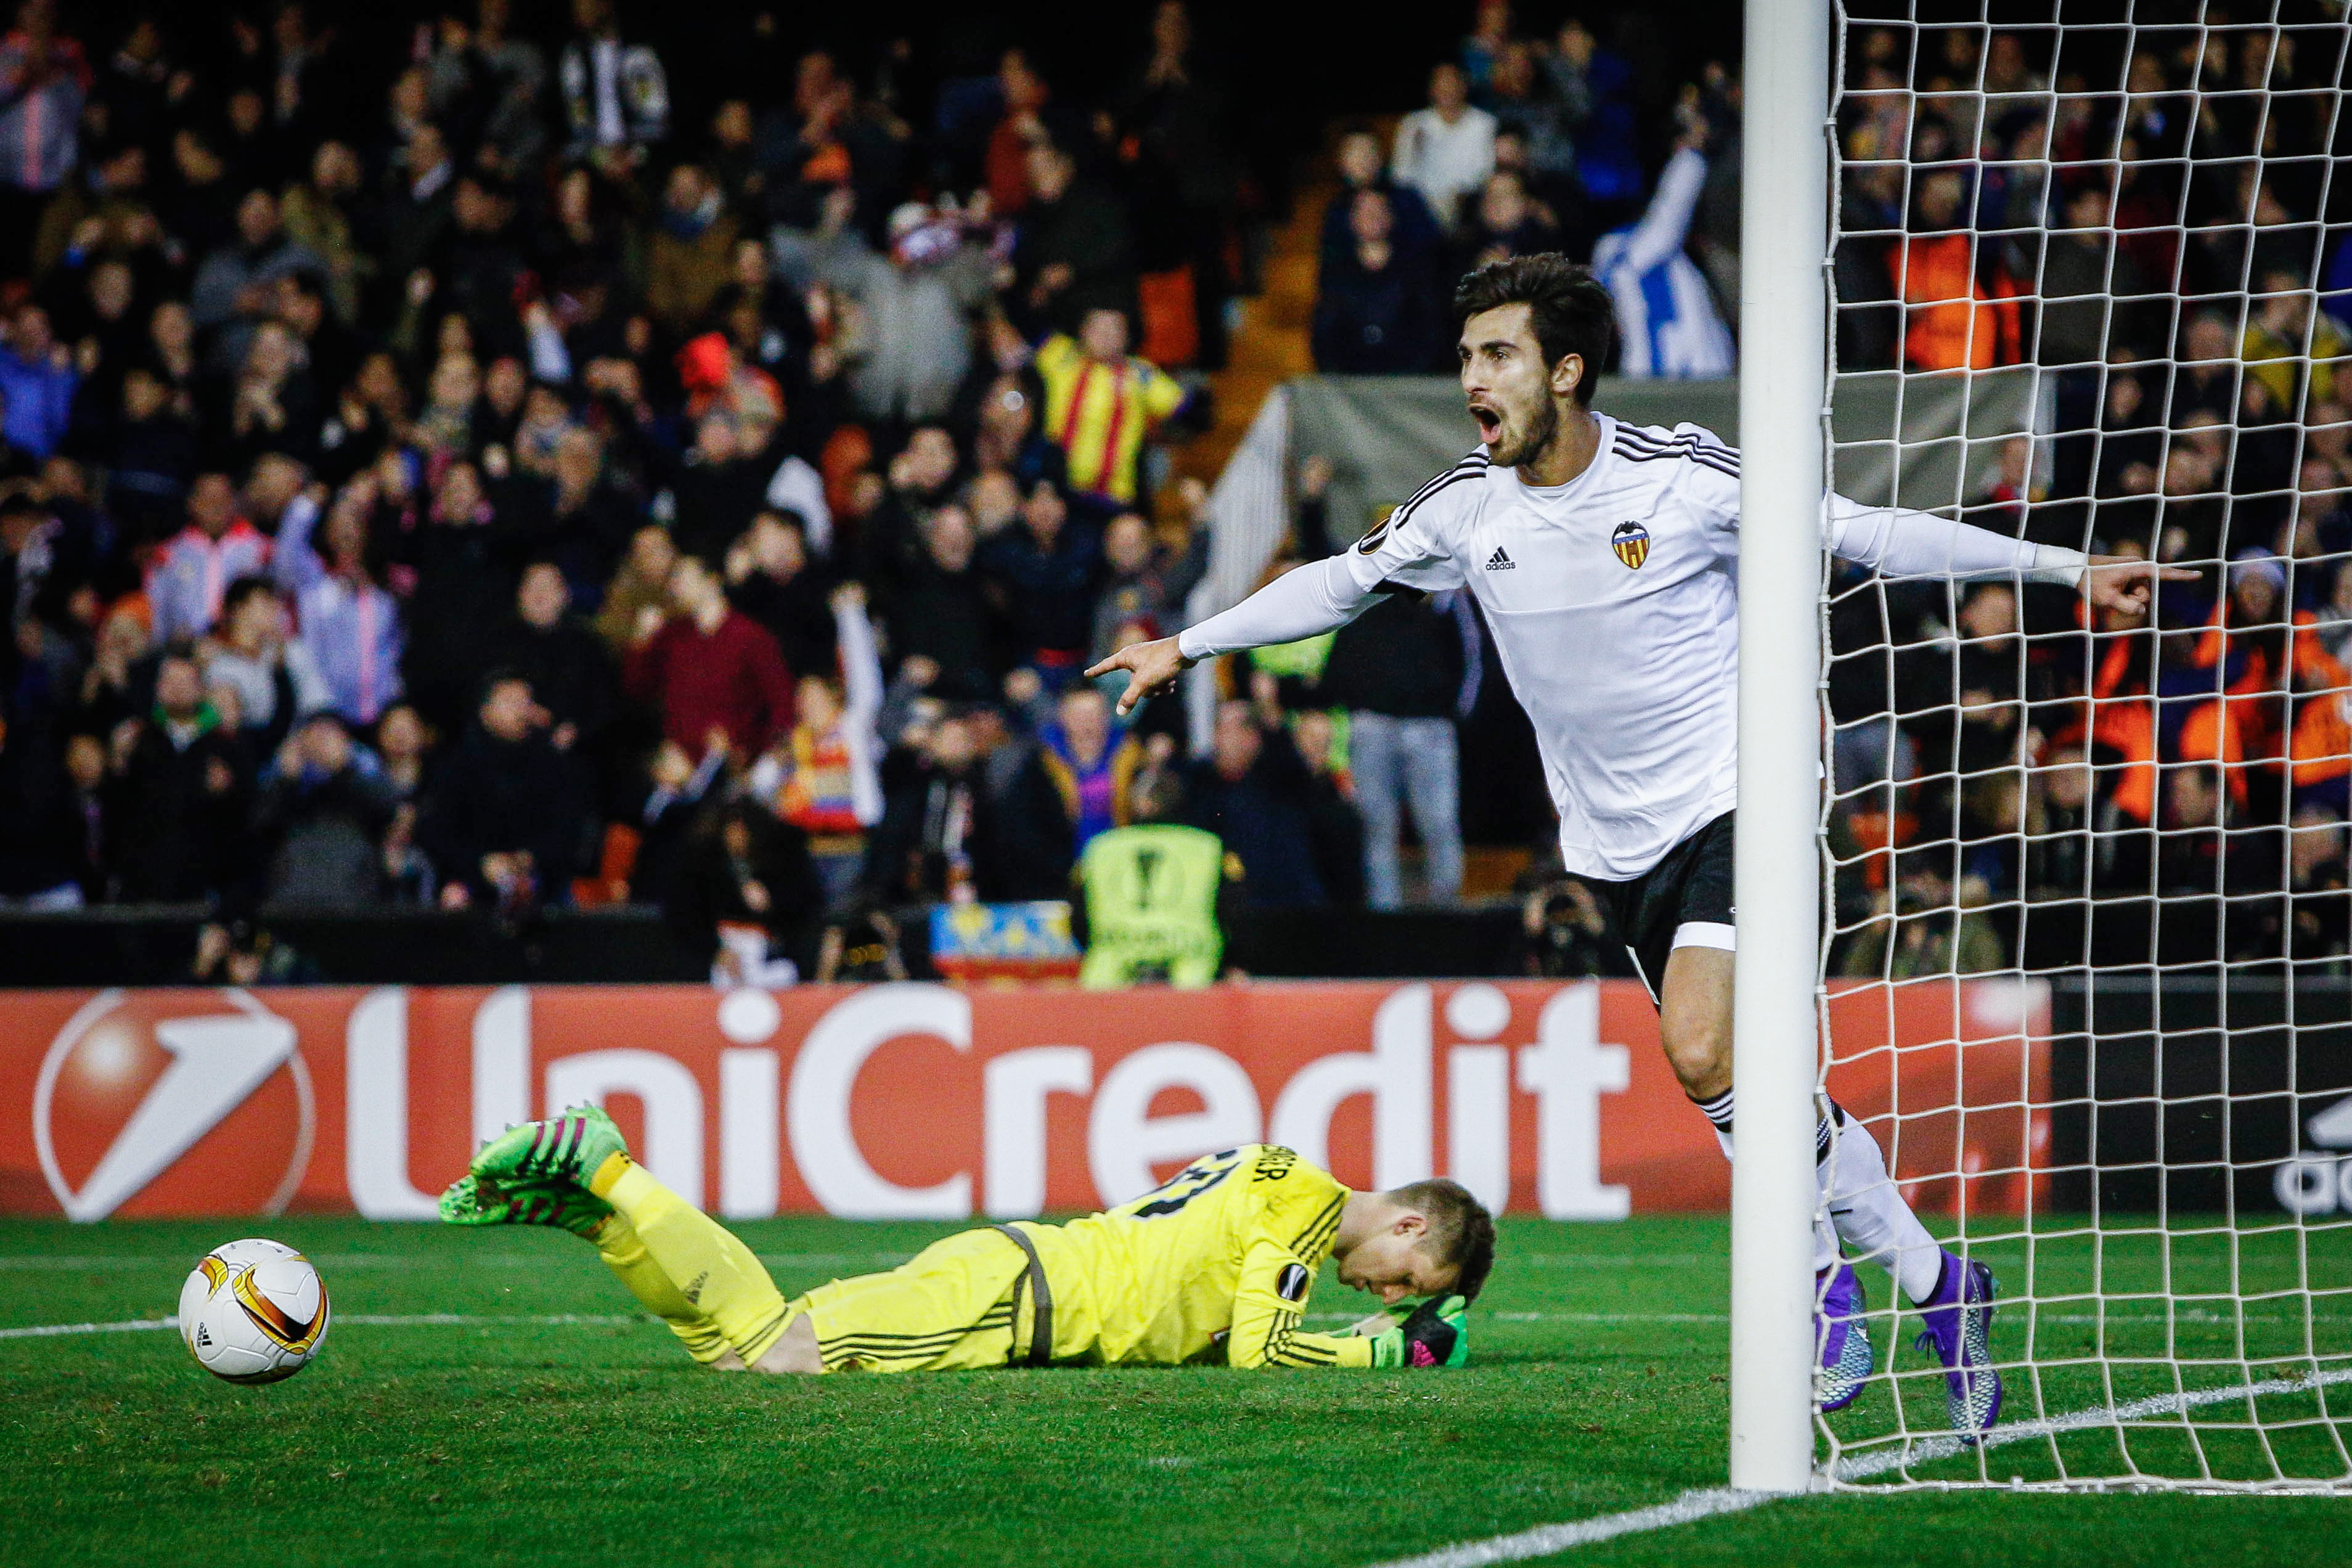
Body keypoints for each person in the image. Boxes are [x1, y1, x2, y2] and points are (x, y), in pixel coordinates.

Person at [1092, 252, 2193, 1437]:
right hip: (1614, 849)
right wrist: (1189, 646)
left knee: (1702, 1044)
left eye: (1498, 355)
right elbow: (1336, 585)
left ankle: (1821, 1297)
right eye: (1467, 357)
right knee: (1754, 1088)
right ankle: (1940, 1286)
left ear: (1565, 372)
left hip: (1745, 800)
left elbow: (1864, 532)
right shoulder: (1466, 507)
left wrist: (2068, 565)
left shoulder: (1675, 477)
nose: (1475, 378)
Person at [443, 1109, 1487, 1376]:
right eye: (1408, 1279)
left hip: (1016, 1269)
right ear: (1406, 1223)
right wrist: (1383, 1351)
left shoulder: (1274, 1164)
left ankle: (600, 1221)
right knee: (773, 1352)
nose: (1386, 1292)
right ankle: (609, 1164)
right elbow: (1264, 1349)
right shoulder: (1301, 1213)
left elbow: (1212, 1315)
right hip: (1013, 1303)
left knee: (726, 1350)